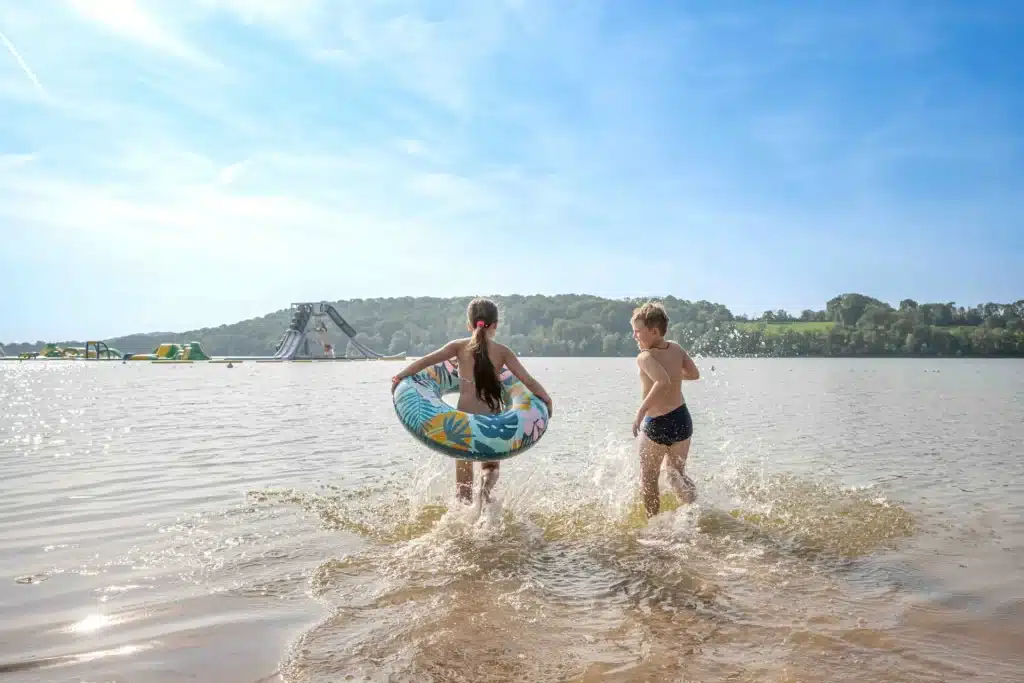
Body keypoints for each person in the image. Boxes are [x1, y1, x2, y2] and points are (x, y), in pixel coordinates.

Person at [391, 298, 554, 506]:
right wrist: (546, 399)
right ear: (494, 325)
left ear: (469, 325)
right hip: (491, 424)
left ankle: (462, 524)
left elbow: (425, 362)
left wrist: (399, 377)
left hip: (464, 425)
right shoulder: (503, 352)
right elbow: (527, 380)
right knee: (490, 468)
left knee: (463, 485)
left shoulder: (458, 347)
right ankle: (485, 493)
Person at [629, 301, 701, 518]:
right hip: (682, 419)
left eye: (637, 331)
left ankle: (654, 524)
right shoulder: (676, 348)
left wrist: (640, 412)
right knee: (675, 474)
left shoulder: (645, 357)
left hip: (658, 422)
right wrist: (675, 376)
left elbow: (662, 382)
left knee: (649, 478)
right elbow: (694, 374)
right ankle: (696, 510)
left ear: (653, 331)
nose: (634, 336)